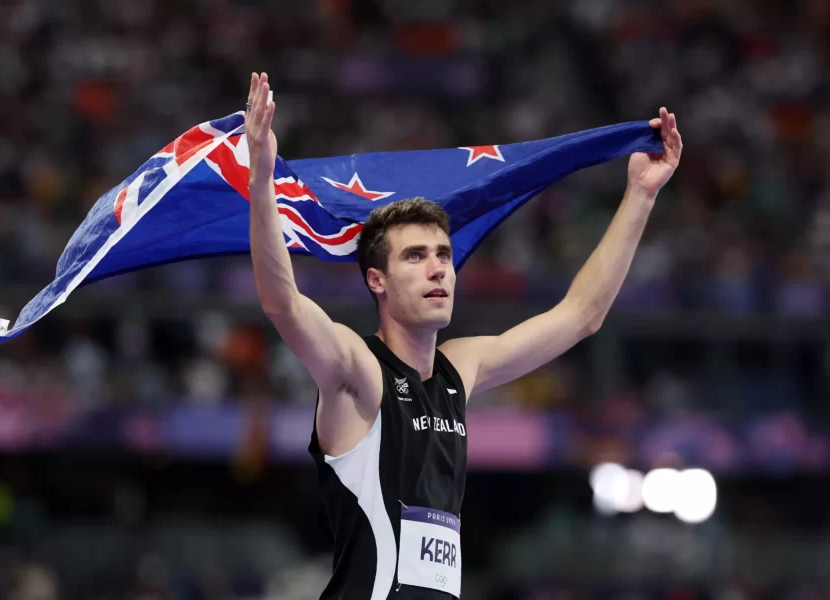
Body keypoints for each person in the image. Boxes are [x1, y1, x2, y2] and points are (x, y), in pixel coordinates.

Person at [244, 72, 683, 599]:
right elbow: (283, 303)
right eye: (415, 256)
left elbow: (581, 314)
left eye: (444, 256)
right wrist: (261, 180)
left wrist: (640, 194)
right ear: (376, 281)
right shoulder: (357, 372)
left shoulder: (460, 369)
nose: (438, 269)